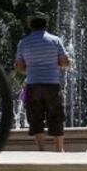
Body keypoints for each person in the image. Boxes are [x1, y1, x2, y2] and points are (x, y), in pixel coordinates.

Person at [14, 13, 70, 151]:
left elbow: (20, 67)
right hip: (52, 83)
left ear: (31, 25)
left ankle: (41, 149)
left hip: (33, 84)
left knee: (35, 117)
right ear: (46, 24)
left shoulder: (23, 42)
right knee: (56, 115)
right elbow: (64, 62)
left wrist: (30, 68)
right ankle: (59, 149)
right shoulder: (55, 40)